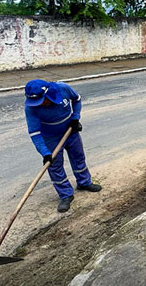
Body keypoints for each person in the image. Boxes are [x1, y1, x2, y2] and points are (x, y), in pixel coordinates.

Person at [24, 79, 101, 213]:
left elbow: (77, 100)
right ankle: (65, 195)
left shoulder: (63, 88)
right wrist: (45, 152)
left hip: (70, 132)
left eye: (42, 100)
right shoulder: (31, 108)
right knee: (54, 166)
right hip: (50, 138)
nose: (40, 104)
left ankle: (84, 182)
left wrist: (75, 118)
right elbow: (34, 133)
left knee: (78, 157)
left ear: (48, 94)